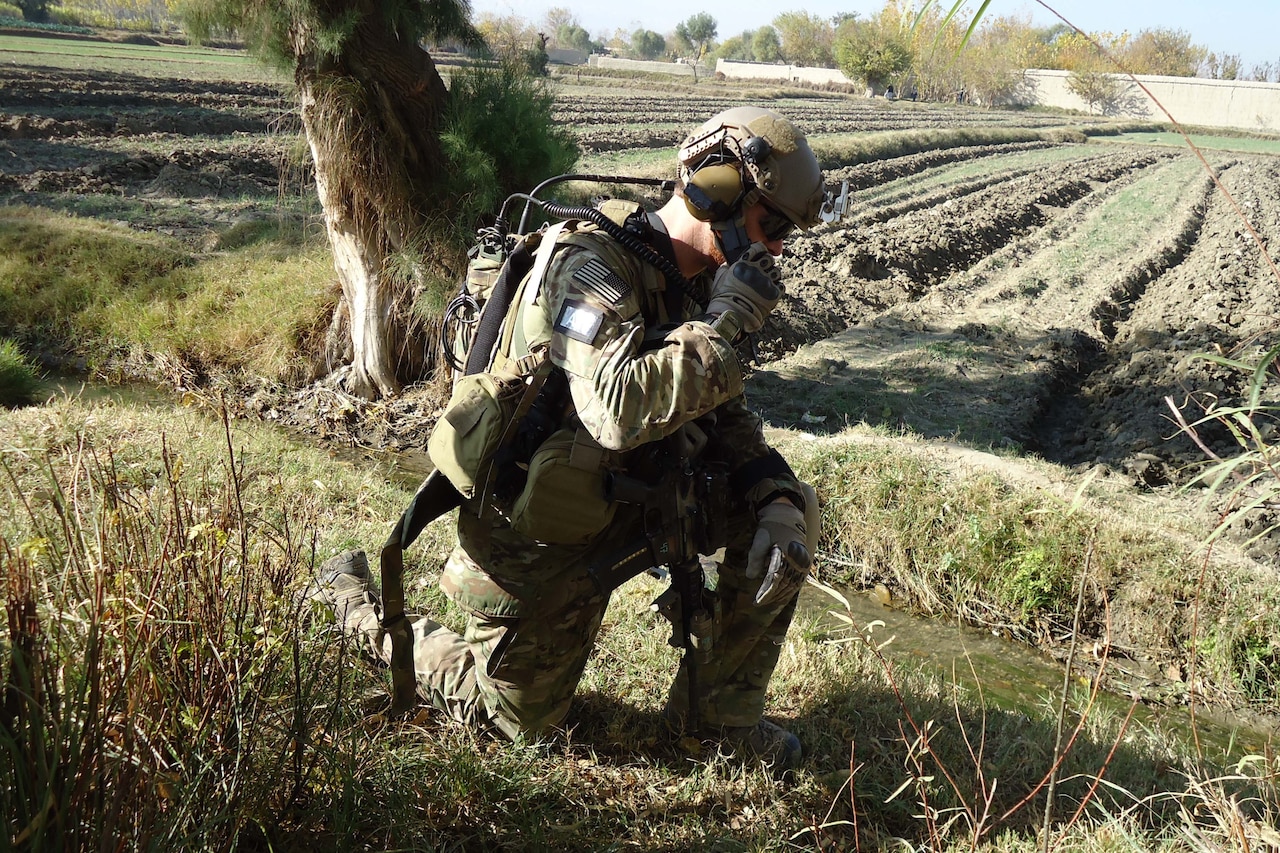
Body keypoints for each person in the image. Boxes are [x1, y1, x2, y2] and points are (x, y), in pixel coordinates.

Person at [309, 106, 825, 772]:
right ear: (716, 191)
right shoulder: (589, 265)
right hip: (537, 535)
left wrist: (773, 491)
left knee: (786, 509)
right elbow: (615, 408)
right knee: (513, 727)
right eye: (773, 223)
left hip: (626, 500)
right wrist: (727, 325)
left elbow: (721, 413)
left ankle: (717, 723)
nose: (778, 246)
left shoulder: (693, 281)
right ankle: (345, 602)